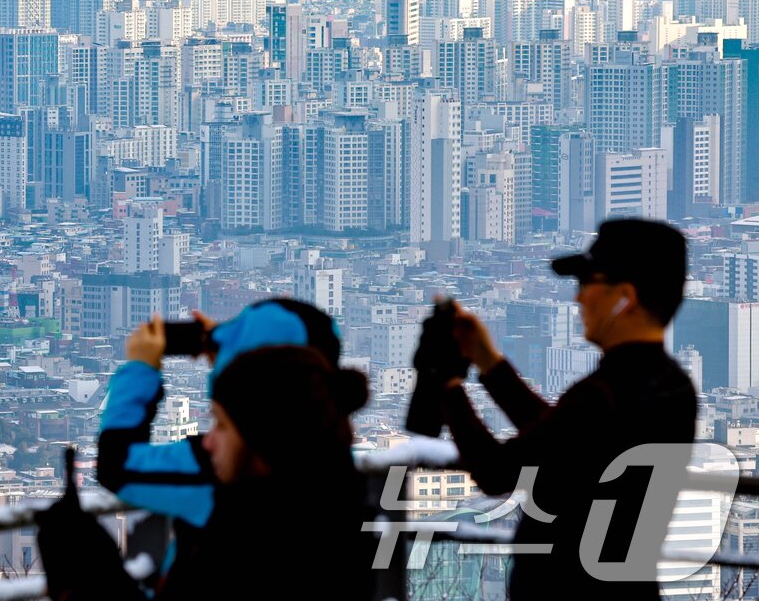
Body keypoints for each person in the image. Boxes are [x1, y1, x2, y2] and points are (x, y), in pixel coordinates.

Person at [438, 218, 697, 599]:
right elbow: (561, 438)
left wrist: (447, 385)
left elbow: (496, 472)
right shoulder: (675, 387)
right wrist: (488, 362)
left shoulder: (601, 394)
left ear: (625, 297)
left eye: (587, 283)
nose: (579, 298)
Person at [95, 299, 375, 598]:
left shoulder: (222, 476)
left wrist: (140, 368)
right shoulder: (334, 467)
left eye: (222, 424)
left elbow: (116, 465)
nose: (209, 440)